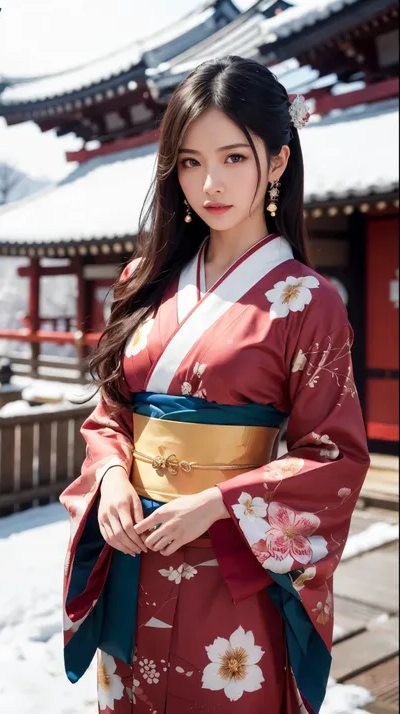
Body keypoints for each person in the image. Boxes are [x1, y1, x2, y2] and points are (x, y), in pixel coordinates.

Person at [60, 56, 370, 714]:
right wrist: (112, 479)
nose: (210, 183)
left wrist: (220, 503)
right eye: (191, 161)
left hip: (230, 573)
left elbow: (334, 457)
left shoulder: (310, 303)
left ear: (278, 162)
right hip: (134, 557)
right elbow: (111, 412)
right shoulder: (146, 277)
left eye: (233, 157)